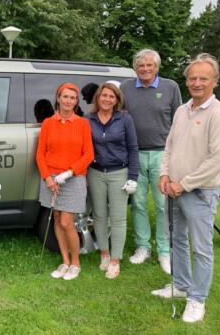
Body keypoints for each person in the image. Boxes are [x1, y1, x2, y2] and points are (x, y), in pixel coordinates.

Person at [153, 54, 220, 323]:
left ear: (214, 81)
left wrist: (183, 183)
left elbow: (217, 161)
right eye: (192, 78)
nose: (197, 83)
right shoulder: (182, 110)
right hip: (173, 189)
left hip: (199, 192)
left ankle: (197, 299)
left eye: (203, 78)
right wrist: (165, 174)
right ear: (186, 81)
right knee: (177, 239)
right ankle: (181, 285)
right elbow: (170, 146)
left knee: (201, 248)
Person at [120, 49, 182, 274]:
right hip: (134, 154)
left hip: (162, 155)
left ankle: (165, 251)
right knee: (137, 204)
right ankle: (143, 247)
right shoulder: (125, 88)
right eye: (141, 65)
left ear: (157, 67)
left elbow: (179, 121)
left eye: (149, 65)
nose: (145, 69)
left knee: (162, 204)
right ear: (135, 68)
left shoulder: (170, 87)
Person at [36, 83, 94, 280]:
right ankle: (65, 261)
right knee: (58, 219)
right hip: (51, 179)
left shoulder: (82, 124)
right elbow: (40, 154)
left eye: (72, 98)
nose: (68, 101)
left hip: (73, 178)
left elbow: (88, 154)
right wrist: (47, 178)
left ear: (76, 101)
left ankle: (75, 262)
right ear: (58, 99)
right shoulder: (48, 123)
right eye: (65, 97)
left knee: (67, 221)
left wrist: (68, 173)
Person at [87, 83, 139, 279]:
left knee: (118, 218)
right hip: (96, 172)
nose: (107, 99)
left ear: (117, 100)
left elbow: (133, 148)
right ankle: (105, 254)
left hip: (119, 173)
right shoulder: (88, 119)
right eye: (104, 95)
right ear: (98, 98)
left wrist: (133, 177)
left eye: (112, 96)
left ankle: (116, 260)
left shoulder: (124, 119)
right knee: (99, 216)